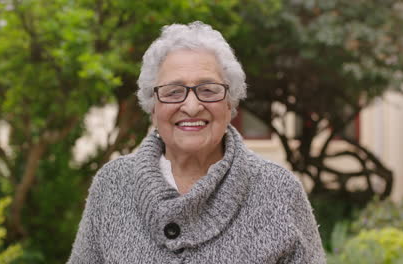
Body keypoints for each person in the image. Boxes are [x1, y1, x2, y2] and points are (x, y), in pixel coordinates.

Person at [67, 21, 325, 263]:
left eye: (208, 90)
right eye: (173, 92)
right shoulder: (112, 185)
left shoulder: (279, 191)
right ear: (153, 106)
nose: (191, 106)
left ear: (229, 103)